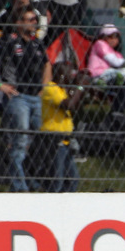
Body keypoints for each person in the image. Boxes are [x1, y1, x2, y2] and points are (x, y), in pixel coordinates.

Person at [0, 7, 48, 191]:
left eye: (35, 19)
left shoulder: (37, 43)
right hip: (17, 97)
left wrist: (44, 87)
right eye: (30, 19)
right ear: (19, 23)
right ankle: (19, 186)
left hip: (35, 97)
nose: (34, 22)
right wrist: (0, 84)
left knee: (35, 141)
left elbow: (47, 63)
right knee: (20, 140)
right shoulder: (8, 42)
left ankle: (28, 178)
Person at [40, 61, 86, 193]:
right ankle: (50, 208)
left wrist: (80, 88)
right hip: (54, 139)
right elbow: (69, 105)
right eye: (69, 74)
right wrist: (80, 87)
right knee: (57, 180)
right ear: (60, 75)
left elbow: (75, 106)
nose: (70, 77)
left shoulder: (62, 89)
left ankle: (67, 208)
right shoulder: (50, 88)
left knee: (73, 179)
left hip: (65, 140)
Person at [86, 23, 125, 119]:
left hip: (113, 77)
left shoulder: (117, 53)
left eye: (116, 37)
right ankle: (116, 112)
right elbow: (116, 62)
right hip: (99, 76)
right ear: (103, 37)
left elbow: (122, 64)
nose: (114, 39)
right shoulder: (100, 44)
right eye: (110, 36)